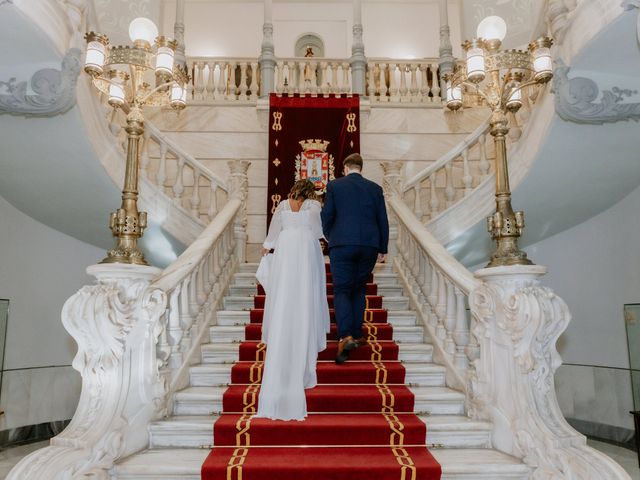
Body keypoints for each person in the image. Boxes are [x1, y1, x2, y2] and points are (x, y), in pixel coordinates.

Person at [254, 179, 330, 421]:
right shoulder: (313, 207)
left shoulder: (283, 206)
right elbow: (319, 232)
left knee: (285, 291)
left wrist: (267, 247)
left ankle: (284, 323)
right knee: (306, 292)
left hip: (286, 248)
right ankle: (304, 359)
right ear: (310, 192)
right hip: (305, 249)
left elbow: (273, 233)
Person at [321, 153, 389, 364]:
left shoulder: (335, 186)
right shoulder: (375, 188)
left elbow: (326, 216)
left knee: (342, 289)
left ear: (345, 168)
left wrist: (332, 237)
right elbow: (382, 220)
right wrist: (382, 248)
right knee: (359, 288)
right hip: (369, 245)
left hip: (342, 244)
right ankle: (357, 333)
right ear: (361, 168)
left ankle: (345, 336)